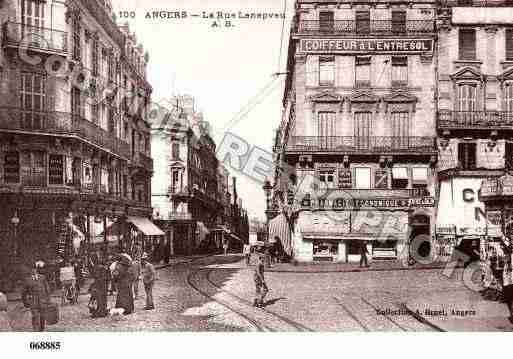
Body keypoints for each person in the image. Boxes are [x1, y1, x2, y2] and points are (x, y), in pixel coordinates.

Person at [22, 263, 50, 331]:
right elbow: (23, 293)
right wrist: (25, 302)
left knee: (43, 317)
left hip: (43, 301)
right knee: (35, 317)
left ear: (36, 269)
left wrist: (48, 299)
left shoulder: (42, 277)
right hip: (33, 302)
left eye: (34, 269)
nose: (33, 270)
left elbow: (47, 289)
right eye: (31, 269)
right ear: (30, 270)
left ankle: (41, 330)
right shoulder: (27, 280)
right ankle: (36, 331)